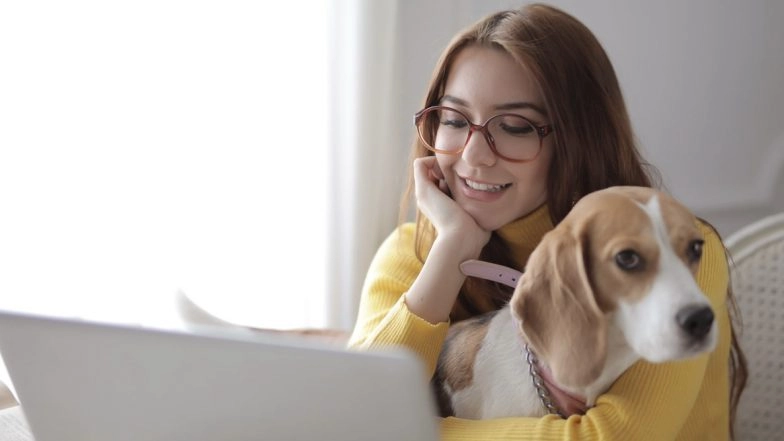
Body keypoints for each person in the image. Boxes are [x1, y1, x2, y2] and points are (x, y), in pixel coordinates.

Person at [348, 3, 747, 440]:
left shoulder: (683, 249)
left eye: (515, 126)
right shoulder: (413, 252)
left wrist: (406, 431)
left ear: (579, 140)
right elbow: (347, 414)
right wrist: (451, 251)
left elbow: (612, 437)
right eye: (454, 119)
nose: (473, 155)